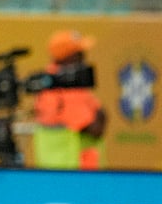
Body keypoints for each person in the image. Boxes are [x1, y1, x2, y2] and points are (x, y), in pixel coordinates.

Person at [32, 30, 106, 170]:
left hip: (54, 173)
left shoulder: (48, 86)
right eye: (79, 54)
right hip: (74, 175)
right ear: (67, 57)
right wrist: (99, 114)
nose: (84, 58)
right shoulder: (65, 91)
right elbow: (95, 128)